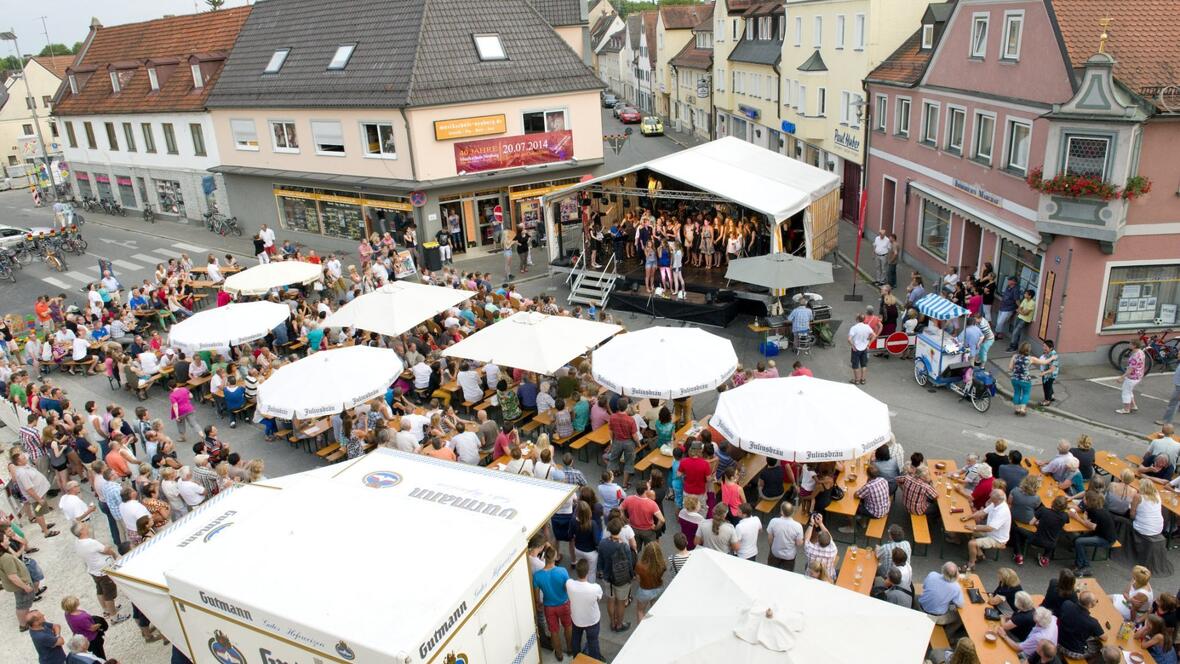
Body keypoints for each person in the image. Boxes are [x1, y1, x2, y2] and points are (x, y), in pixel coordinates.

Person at [532, 545, 572, 661]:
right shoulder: (562, 571)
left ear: (544, 558)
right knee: (568, 626)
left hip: (549, 607)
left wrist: (538, 603)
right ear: (554, 558)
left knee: (554, 631)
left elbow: (536, 595)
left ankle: (559, 654)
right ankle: (569, 649)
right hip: (564, 604)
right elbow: (567, 588)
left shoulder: (537, 576)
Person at [596, 518, 635, 633]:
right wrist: (631, 576)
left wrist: (601, 571)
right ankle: (619, 624)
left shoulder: (603, 543)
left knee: (610, 600)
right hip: (621, 579)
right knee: (621, 603)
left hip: (608, 578)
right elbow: (629, 564)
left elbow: (600, 561)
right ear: (619, 530)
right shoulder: (624, 546)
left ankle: (612, 622)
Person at [963, 489, 1011, 572]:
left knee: (972, 543)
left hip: (997, 539)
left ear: (998, 499)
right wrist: (969, 517)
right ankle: (980, 554)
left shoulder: (1002, 511)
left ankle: (971, 565)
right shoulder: (995, 504)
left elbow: (990, 528)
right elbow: (982, 512)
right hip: (990, 532)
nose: (989, 495)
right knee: (966, 531)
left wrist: (974, 527)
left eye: (991, 495)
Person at [565, 559, 602, 660]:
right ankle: (595, 660)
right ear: (587, 571)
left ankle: (576, 658)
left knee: (576, 639)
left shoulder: (569, 584)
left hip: (577, 619)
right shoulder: (595, 588)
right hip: (592, 620)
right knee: (593, 642)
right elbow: (598, 598)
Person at [1056, 591, 1103, 660]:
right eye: (1096, 601)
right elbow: (1104, 637)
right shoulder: (1092, 622)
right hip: (1073, 652)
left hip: (1058, 640)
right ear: (1090, 605)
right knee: (1099, 644)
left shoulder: (1067, 604)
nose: (1096, 602)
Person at [608, 398, 641, 487]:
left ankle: (608, 481)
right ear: (626, 407)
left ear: (618, 407)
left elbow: (610, 431)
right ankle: (625, 484)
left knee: (613, 461)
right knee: (629, 463)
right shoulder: (630, 420)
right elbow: (634, 435)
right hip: (629, 443)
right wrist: (638, 444)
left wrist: (612, 441)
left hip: (617, 441)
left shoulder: (612, 417)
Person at [620, 479, 663, 548]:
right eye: (649, 487)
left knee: (635, 549)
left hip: (633, 529)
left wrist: (625, 519)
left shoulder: (628, 499)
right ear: (645, 491)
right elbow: (662, 520)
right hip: (648, 531)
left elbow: (620, 509)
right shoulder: (652, 503)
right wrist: (656, 528)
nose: (650, 488)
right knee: (650, 551)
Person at [634, 541, 666, 622]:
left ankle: (641, 632)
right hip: (658, 589)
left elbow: (638, 579)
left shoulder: (640, 565)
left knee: (640, 611)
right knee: (654, 612)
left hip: (645, 590)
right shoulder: (662, 564)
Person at [803, 513, 838, 579]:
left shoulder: (810, 549)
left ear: (818, 540)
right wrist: (821, 523)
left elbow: (806, 538)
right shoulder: (833, 549)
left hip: (811, 576)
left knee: (806, 565)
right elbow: (830, 537)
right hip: (827, 577)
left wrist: (811, 524)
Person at [1116, 339, 1146, 414]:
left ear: (1134, 345)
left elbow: (1130, 369)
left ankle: (1126, 409)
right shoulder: (1141, 352)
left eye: (1130, 344)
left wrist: (1122, 377)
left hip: (1132, 377)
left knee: (1125, 392)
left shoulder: (1135, 356)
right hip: (1138, 375)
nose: (1129, 345)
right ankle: (1133, 406)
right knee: (1129, 390)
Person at [847, 313, 875, 385]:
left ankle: (856, 380)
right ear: (864, 319)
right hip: (864, 348)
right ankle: (862, 379)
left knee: (855, 365)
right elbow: (874, 335)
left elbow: (849, 339)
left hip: (856, 349)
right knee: (864, 364)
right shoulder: (867, 327)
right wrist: (869, 343)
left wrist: (853, 346)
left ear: (857, 319)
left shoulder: (854, 328)